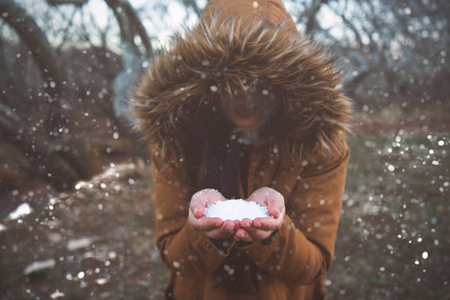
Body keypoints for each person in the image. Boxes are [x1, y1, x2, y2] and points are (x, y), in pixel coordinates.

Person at [133, 0, 352, 299]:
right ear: (206, 81)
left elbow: (314, 265)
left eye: (258, 80)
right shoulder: (176, 140)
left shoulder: (318, 146)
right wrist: (204, 234)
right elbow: (175, 257)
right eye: (229, 80)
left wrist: (274, 233)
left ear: (283, 82)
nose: (244, 94)